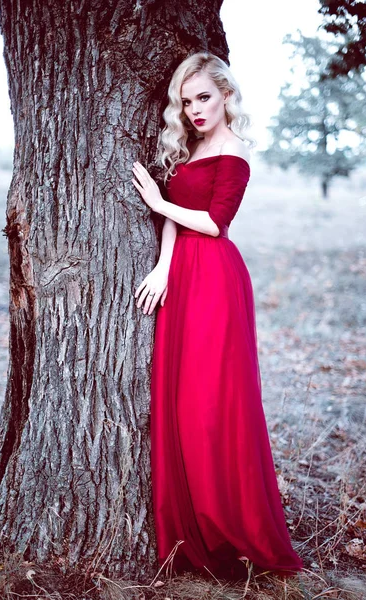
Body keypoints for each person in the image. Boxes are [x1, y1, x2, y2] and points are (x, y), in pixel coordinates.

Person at [131, 51, 303, 581]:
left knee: (209, 405)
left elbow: (212, 222)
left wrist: (159, 204)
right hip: (180, 278)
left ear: (226, 94)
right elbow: (178, 222)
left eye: (203, 97)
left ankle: (227, 526)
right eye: (186, 102)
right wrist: (161, 267)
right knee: (178, 400)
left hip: (216, 284)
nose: (195, 109)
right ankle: (185, 528)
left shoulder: (234, 150)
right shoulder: (192, 145)